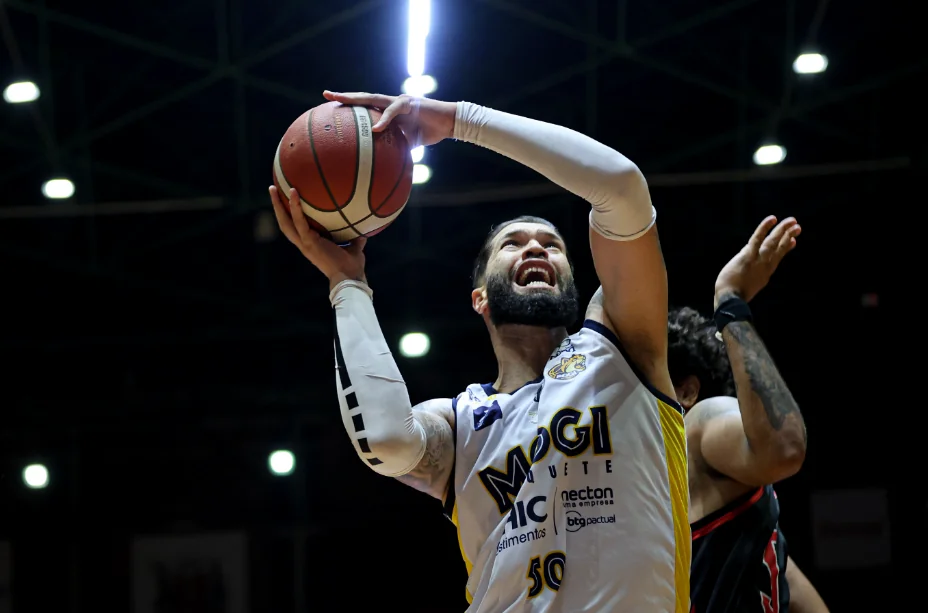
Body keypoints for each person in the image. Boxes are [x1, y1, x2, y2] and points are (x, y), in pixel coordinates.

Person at [269, 91, 688, 612]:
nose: (536, 247)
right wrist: (346, 284)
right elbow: (387, 440)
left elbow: (622, 189)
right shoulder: (462, 424)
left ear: (574, 282)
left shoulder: (624, 345)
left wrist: (461, 121)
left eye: (552, 245)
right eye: (513, 245)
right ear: (480, 297)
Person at [666, 215, 828, 613]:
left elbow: (785, 447)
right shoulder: (648, 483)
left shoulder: (700, 424)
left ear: (686, 390)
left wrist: (731, 302)